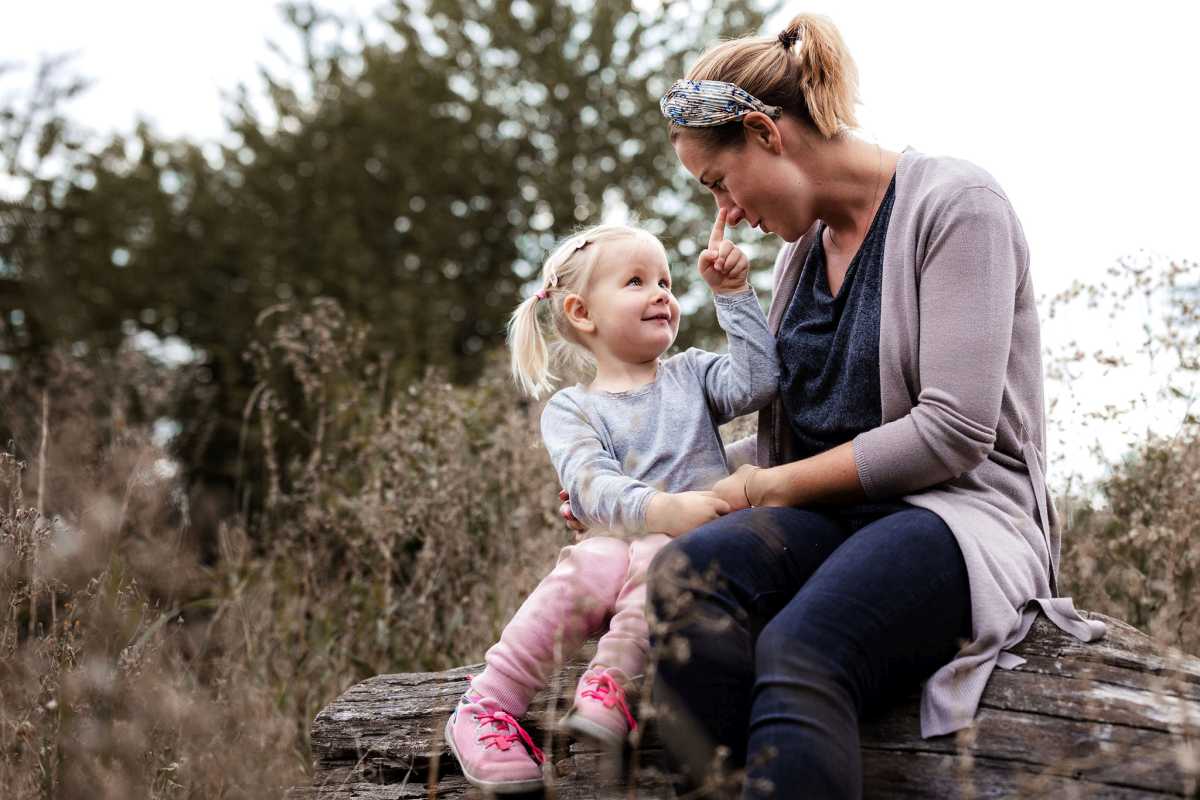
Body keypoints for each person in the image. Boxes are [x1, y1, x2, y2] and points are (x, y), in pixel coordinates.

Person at [558, 13, 1107, 799]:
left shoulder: (957, 205)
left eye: (719, 183)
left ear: (763, 132)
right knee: (686, 581)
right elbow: (795, 438)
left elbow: (951, 433)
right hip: (831, 518)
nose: (728, 213)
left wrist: (765, 489)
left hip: (958, 514)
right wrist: (641, 486)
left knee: (803, 646)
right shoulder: (798, 261)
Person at [443, 218, 779, 793]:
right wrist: (662, 508)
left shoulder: (692, 374)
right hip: (614, 553)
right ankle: (485, 705)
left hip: (680, 560)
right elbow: (590, 484)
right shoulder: (572, 409)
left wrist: (733, 295)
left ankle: (610, 684)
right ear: (581, 312)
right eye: (637, 281)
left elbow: (759, 382)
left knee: (656, 553)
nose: (662, 295)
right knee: (587, 564)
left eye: (667, 283)